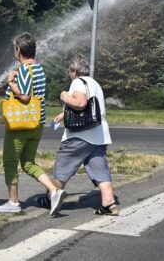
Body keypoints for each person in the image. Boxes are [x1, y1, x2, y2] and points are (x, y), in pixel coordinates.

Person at [0, 32, 64, 216]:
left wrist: (10, 83)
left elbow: (24, 96)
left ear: (18, 50)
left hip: (20, 124)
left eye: (14, 49)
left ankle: (13, 202)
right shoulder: (39, 69)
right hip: (36, 124)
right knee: (28, 163)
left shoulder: (24, 70)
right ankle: (54, 191)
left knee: (10, 162)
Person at [47, 54, 119, 216]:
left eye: (69, 71)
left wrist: (65, 96)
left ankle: (52, 195)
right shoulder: (94, 83)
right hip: (99, 135)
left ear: (74, 71)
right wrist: (64, 114)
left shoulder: (77, 82)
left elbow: (80, 103)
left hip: (80, 136)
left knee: (63, 165)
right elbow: (91, 108)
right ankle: (109, 203)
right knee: (99, 168)